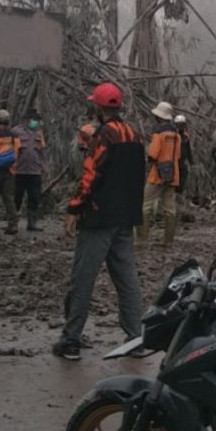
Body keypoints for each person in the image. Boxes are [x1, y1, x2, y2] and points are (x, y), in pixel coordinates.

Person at [54, 82, 145, 361]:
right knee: (127, 279)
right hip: (125, 218)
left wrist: (74, 208)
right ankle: (136, 338)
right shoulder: (135, 134)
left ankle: (71, 340)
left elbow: (91, 175)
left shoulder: (104, 135)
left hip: (99, 218)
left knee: (83, 279)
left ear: (98, 106)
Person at [139, 102, 182, 246]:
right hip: (173, 175)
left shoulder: (158, 134)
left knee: (145, 205)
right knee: (170, 208)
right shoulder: (177, 135)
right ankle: (168, 241)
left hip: (157, 174)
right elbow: (179, 155)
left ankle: (141, 240)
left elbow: (152, 155)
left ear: (158, 116)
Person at [12, 108, 47, 232]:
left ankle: (32, 223)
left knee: (34, 197)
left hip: (35, 171)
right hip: (19, 171)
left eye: (37, 120)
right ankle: (13, 223)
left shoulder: (39, 133)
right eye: (34, 119)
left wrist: (44, 167)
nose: (36, 122)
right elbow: (10, 150)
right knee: (17, 197)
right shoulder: (16, 131)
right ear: (26, 119)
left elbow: (42, 152)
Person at [175, 114, 194, 200]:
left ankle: (179, 196)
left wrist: (191, 162)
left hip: (183, 161)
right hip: (174, 161)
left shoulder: (186, 136)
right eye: (179, 124)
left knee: (183, 179)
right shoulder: (173, 135)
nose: (181, 126)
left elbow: (188, 149)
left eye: (182, 124)